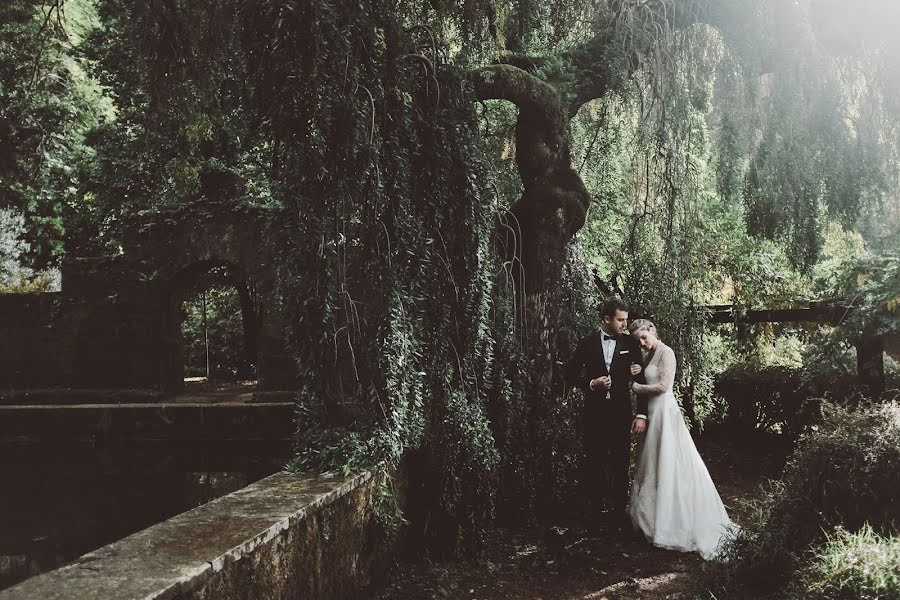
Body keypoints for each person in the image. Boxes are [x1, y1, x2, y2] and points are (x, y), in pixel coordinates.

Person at [627, 319, 736, 559]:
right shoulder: (647, 357)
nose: (642, 343)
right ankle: (651, 519)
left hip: (665, 411)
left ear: (652, 330)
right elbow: (645, 380)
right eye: (638, 341)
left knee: (671, 460)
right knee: (651, 461)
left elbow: (664, 386)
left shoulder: (667, 353)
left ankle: (674, 523)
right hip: (652, 414)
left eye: (644, 337)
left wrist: (635, 387)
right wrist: (635, 373)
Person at [566, 299, 647, 533]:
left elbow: (640, 378)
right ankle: (593, 515)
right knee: (594, 461)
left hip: (621, 414)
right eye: (620, 319)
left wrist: (641, 414)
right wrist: (591, 383)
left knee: (620, 463)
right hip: (595, 414)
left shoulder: (630, 344)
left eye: (625, 319)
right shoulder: (587, 343)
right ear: (606, 319)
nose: (625, 324)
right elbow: (569, 375)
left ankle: (618, 516)